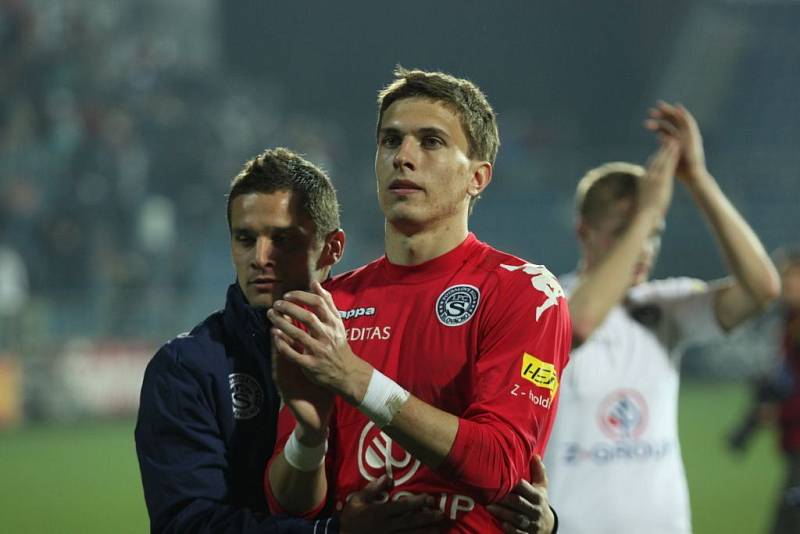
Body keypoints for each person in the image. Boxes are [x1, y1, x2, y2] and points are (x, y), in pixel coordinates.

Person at [264, 68, 572, 533]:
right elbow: (288, 505)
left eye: (431, 142)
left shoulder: (524, 292)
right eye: (390, 141)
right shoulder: (329, 307)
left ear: (478, 177)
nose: (403, 157)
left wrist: (356, 379)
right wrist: (308, 442)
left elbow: (497, 466)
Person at [135, 147, 443, 533]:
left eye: (283, 240)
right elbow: (187, 525)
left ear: (333, 248)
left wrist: (542, 521)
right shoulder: (187, 368)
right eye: (245, 238)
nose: (260, 257)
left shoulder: (384, 348)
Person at [542, 102, 781, 533]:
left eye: (654, 234)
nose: (644, 247)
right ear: (583, 231)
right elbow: (579, 325)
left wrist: (698, 180)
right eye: (626, 230)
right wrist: (650, 211)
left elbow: (762, 288)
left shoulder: (666, 305)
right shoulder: (546, 298)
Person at [727, 246, 800, 534]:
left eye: (793, 275)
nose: (786, 282)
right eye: (784, 275)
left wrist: (778, 412)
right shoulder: (789, 321)